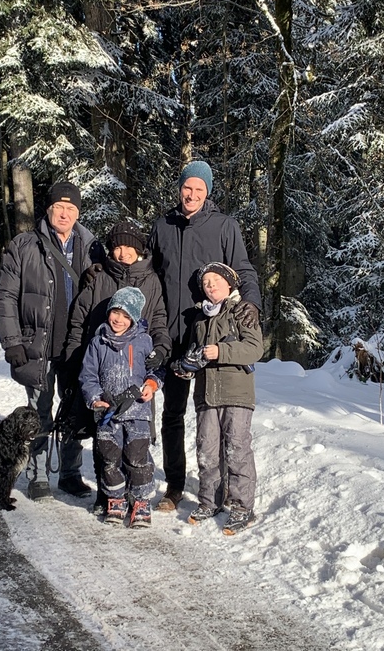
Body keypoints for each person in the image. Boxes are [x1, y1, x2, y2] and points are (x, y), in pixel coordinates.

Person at [147, 160, 262, 512]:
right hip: (171, 334)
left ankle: (225, 490)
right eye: (187, 187)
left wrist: (251, 305)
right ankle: (175, 485)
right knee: (173, 413)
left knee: (216, 414)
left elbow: (243, 270)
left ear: (207, 192)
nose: (192, 194)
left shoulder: (224, 226)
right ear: (179, 188)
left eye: (199, 189)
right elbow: (147, 274)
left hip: (212, 336)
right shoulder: (161, 226)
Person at [0, 181, 104, 501]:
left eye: (71, 208)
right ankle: (38, 473)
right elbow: (5, 297)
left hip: (77, 345)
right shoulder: (24, 245)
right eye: (60, 207)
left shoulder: (91, 245)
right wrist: (11, 341)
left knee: (74, 410)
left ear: (78, 212)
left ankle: (70, 473)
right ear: (48, 209)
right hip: (36, 345)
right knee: (39, 411)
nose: (65, 213)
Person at [63, 220, 171, 513]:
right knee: (105, 439)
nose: (123, 253)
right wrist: (75, 360)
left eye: (129, 248)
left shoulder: (151, 280)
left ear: (139, 250)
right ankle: (108, 495)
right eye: (118, 247)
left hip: (136, 374)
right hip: (102, 369)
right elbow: (79, 319)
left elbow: (159, 319)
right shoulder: (98, 277)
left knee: (135, 443)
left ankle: (138, 499)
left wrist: (161, 349)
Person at [171, 262, 263, 535]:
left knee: (236, 449)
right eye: (206, 283)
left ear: (230, 285)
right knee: (207, 449)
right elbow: (194, 354)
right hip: (206, 395)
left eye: (216, 281)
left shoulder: (241, 311)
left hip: (237, 392)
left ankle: (241, 506)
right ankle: (210, 500)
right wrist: (185, 366)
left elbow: (254, 348)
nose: (211, 286)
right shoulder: (199, 319)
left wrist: (219, 351)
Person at [79, 287, 162, 527]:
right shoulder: (97, 342)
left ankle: (140, 501)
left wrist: (152, 383)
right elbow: (88, 376)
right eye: (116, 312)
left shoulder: (144, 341)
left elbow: (156, 371)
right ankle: (115, 499)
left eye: (126, 316)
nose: (119, 320)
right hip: (107, 413)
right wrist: (95, 399)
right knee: (109, 456)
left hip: (137, 412)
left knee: (137, 457)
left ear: (134, 318)